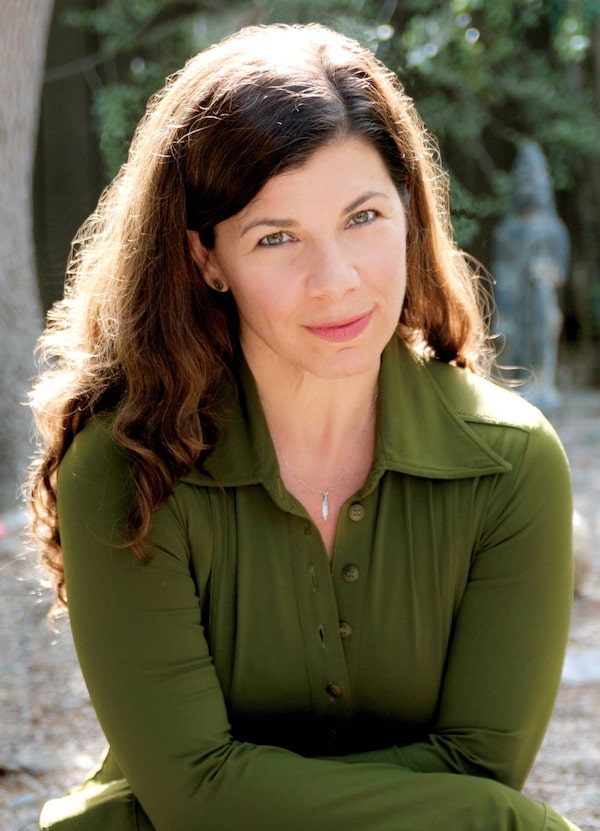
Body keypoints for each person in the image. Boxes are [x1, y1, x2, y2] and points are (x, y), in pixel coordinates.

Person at [29, 23, 579, 831]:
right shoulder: (127, 466)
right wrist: (497, 817)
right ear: (206, 258)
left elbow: (481, 766)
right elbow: (192, 792)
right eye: (276, 237)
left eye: (363, 217)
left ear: (409, 212)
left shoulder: (513, 464)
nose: (336, 279)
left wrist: (239, 790)